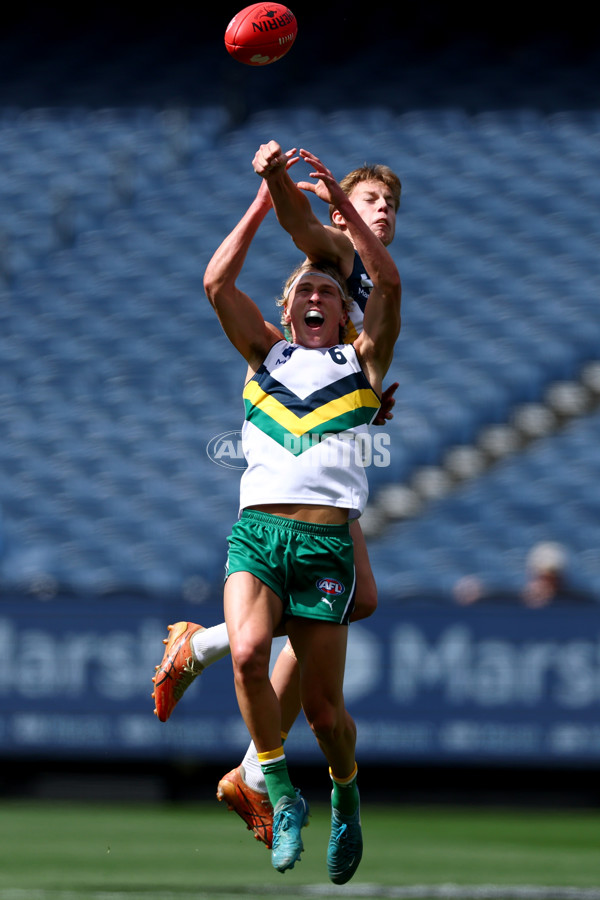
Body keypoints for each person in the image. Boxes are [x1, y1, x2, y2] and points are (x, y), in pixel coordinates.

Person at [158, 142, 400, 882]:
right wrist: (273, 188)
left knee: (334, 686)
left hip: (330, 499)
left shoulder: (363, 304)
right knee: (256, 651)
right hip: (268, 521)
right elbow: (294, 237)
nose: (383, 212)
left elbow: (382, 291)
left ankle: (206, 670)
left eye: (392, 206)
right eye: (370, 202)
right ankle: (269, 780)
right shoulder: (332, 257)